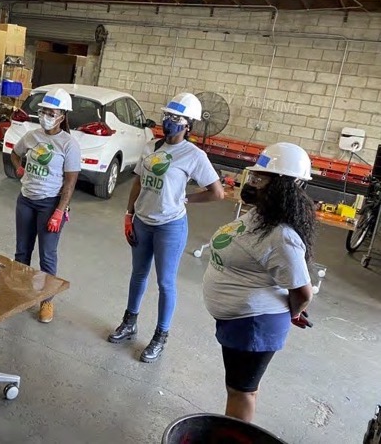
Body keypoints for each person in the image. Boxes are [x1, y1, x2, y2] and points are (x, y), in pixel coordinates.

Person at [203, 142, 315, 423]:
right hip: (241, 322)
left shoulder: (282, 235)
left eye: (261, 178)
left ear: (287, 187)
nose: (252, 182)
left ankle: (234, 437)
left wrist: (294, 312)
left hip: (253, 324)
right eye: (254, 175)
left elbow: (302, 291)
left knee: (241, 392)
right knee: (244, 388)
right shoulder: (261, 216)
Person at [108, 92, 224, 362]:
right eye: (167, 116)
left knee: (165, 283)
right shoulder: (151, 147)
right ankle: (130, 323)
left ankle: (160, 336)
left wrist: (187, 199)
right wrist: (129, 214)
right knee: (138, 274)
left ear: (188, 125)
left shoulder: (194, 155)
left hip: (170, 227)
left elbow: (217, 192)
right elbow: (138, 180)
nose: (169, 121)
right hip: (143, 222)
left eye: (176, 118)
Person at [10, 88, 81, 324]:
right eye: (43, 111)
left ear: (62, 116)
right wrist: (19, 168)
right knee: (22, 251)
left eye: (51, 112)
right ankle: (19, 295)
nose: (46, 116)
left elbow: (70, 182)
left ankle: (47, 301)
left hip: (49, 205)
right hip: (26, 201)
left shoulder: (68, 144)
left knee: (47, 256)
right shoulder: (31, 136)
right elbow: (14, 153)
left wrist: (59, 211)